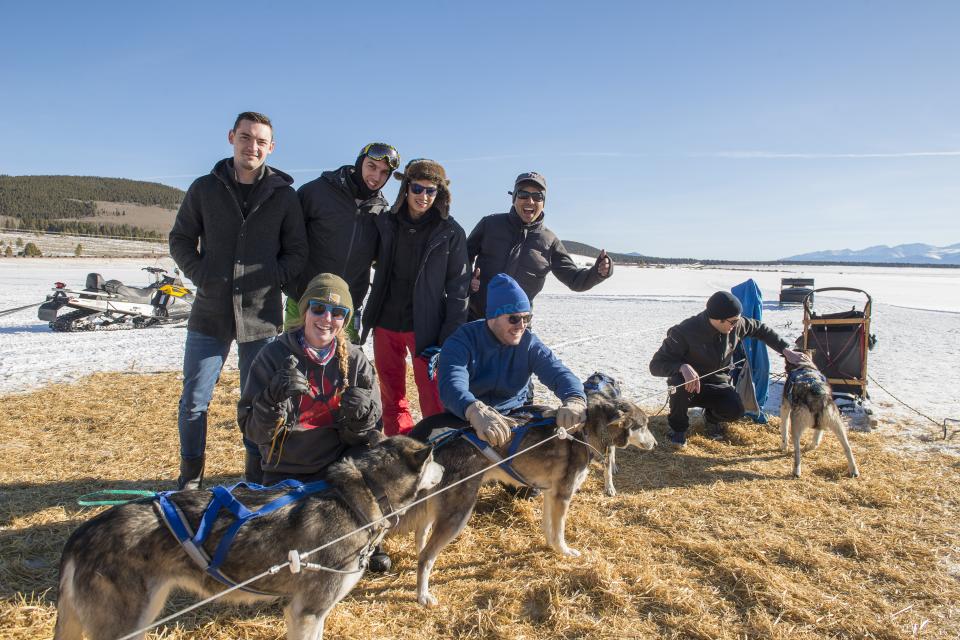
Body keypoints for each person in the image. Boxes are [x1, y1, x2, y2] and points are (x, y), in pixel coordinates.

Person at [169, 111, 307, 489]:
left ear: (271, 147)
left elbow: (296, 252)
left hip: (260, 317)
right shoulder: (205, 189)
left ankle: (255, 475)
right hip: (210, 314)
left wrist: (269, 279)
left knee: (258, 401)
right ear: (231, 137)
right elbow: (180, 239)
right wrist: (201, 274)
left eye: (261, 141)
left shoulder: (283, 196)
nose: (253, 146)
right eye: (246, 137)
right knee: (194, 400)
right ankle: (191, 478)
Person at [238, 273, 392, 571]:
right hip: (286, 468)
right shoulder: (272, 356)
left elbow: (373, 434)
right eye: (318, 308)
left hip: (337, 467)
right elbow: (254, 432)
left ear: (345, 320)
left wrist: (361, 418)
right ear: (305, 311)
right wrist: (271, 398)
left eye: (338, 312)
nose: (327, 318)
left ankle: (372, 537)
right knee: (277, 554)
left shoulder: (356, 360)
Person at [413, 273, 588, 448]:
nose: (521, 325)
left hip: (514, 415)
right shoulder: (462, 341)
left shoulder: (528, 343)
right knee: (420, 437)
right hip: (467, 417)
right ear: (492, 317)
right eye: (514, 318)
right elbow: (451, 384)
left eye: (526, 318)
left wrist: (574, 399)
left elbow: (558, 372)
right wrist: (474, 410)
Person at [361, 159, 470, 435]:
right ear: (406, 188)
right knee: (391, 393)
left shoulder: (450, 232)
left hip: (426, 329)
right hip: (385, 322)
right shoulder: (385, 223)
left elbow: (459, 290)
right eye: (418, 189)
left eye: (431, 191)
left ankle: (437, 447)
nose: (423, 197)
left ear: (440, 194)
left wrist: (447, 339)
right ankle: (400, 449)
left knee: (433, 397)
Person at [649, 290, 808, 446]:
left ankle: (712, 419)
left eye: (737, 320)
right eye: (733, 321)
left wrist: (786, 350)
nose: (736, 324)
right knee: (679, 385)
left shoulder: (736, 325)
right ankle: (678, 430)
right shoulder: (684, 332)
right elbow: (655, 365)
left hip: (718, 383)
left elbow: (760, 329)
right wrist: (682, 367)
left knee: (735, 410)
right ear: (718, 320)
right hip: (688, 387)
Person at [283, 143, 400, 341]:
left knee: (343, 367)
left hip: (346, 306)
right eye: (371, 166)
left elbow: (381, 259)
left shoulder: (381, 212)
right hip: (304, 299)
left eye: (384, 172)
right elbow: (287, 238)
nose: (376, 177)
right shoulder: (315, 192)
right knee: (293, 363)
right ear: (360, 162)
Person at [466, 171, 613, 321]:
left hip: (517, 328)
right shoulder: (490, 225)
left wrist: (598, 272)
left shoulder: (549, 242)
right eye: (523, 194)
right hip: (477, 319)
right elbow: (462, 258)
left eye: (537, 197)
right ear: (514, 198)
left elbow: (575, 280)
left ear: (543, 203)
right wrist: (468, 279)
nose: (530, 201)